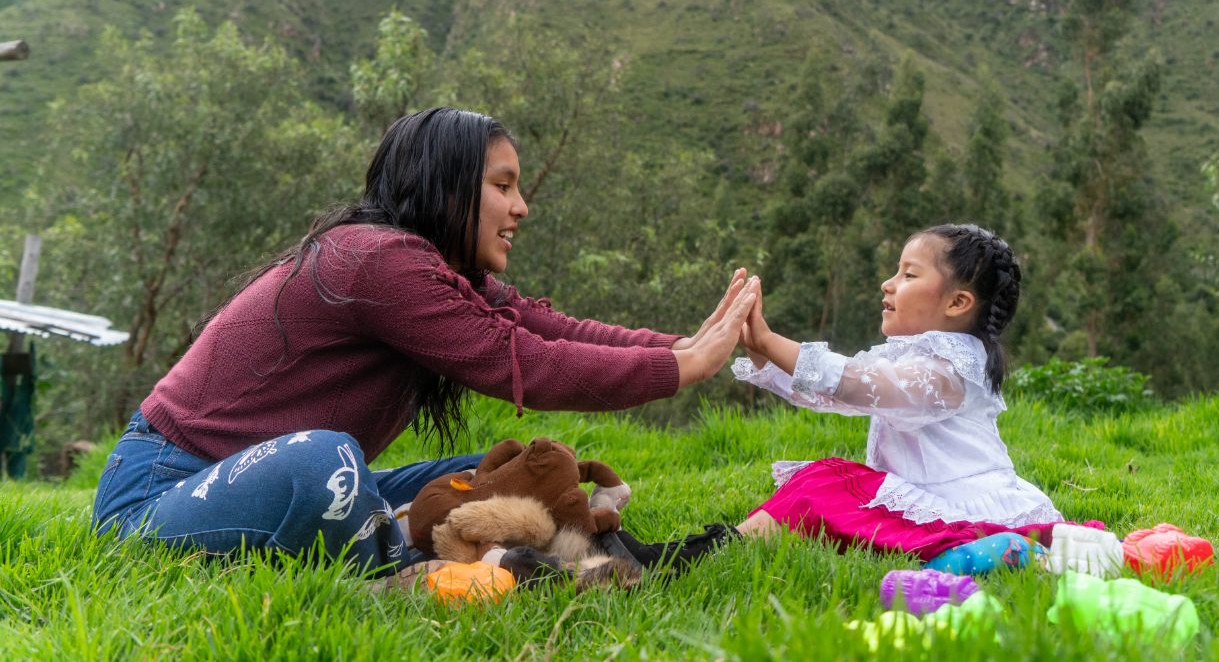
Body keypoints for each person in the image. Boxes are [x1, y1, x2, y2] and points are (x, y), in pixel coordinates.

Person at [92, 107, 758, 578]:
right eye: (502, 185)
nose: (521, 206)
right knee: (326, 460)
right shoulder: (375, 260)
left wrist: (686, 345)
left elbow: (551, 330)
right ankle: (433, 572)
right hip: (157, 496)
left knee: (502, 471)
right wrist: (685, 367)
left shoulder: (440, 273)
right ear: (446, 187)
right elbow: (526, 363)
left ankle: (620, 560)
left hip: (254, 481)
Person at [730, 224, 1064, 561]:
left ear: (957, 302)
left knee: (825, 481)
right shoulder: (914, 357)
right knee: (822, 483)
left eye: (909, 275)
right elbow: (837, 392)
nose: (887, 284)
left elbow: (856, 383)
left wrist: (770, 340)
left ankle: (723, 546)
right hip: (918, 504)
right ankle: (727, 544)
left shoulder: (950, 369)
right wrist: (761, 349)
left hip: (960, 513)